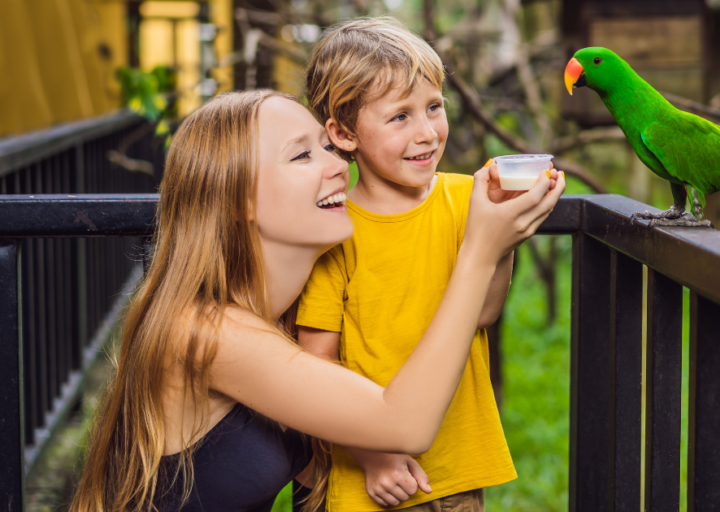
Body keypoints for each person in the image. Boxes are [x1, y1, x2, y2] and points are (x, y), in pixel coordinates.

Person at [70, 89, 564, 512]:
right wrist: (480, 250)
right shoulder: (204, 330)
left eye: (329, 147)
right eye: (303, 155)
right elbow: (403, 424)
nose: (337, 165)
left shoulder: (281, 318)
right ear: (237, 196)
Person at [299, 18, 537, 511]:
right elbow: (314, 365)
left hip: (453, 469)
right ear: (343, 133)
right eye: (399, 117)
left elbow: (485, 312)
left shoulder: (465, 196)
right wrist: (372, 455)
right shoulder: (334, 227)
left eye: (433, 107)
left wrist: (503, 235)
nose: (427, 132)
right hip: (367, 476)